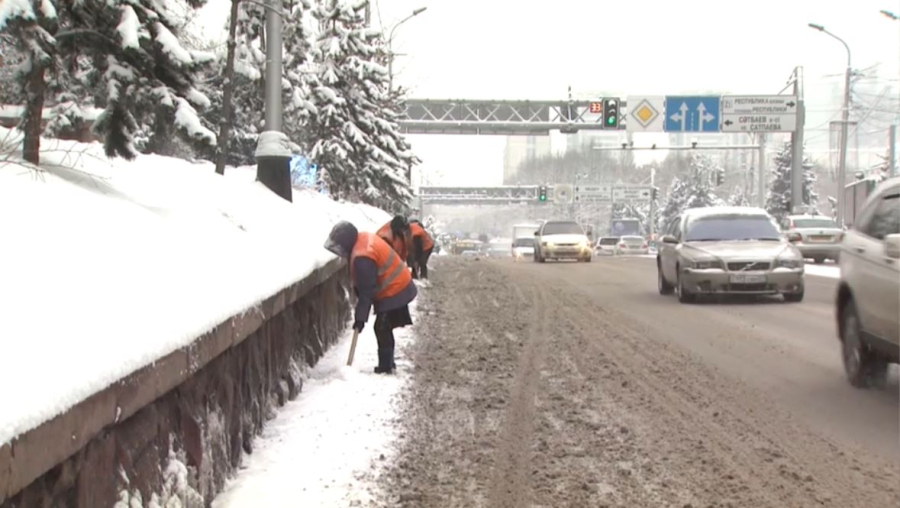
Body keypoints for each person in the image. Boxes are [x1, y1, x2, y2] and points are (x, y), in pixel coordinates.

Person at [324, 221, 416, 374]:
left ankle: (386, 366)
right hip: (398, 284)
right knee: (384, 326)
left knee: (382, 326)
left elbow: (367, 291)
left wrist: (360, 319)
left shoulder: (362, 256)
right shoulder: (362, 241)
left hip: (396, 287)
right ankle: (388, 363)